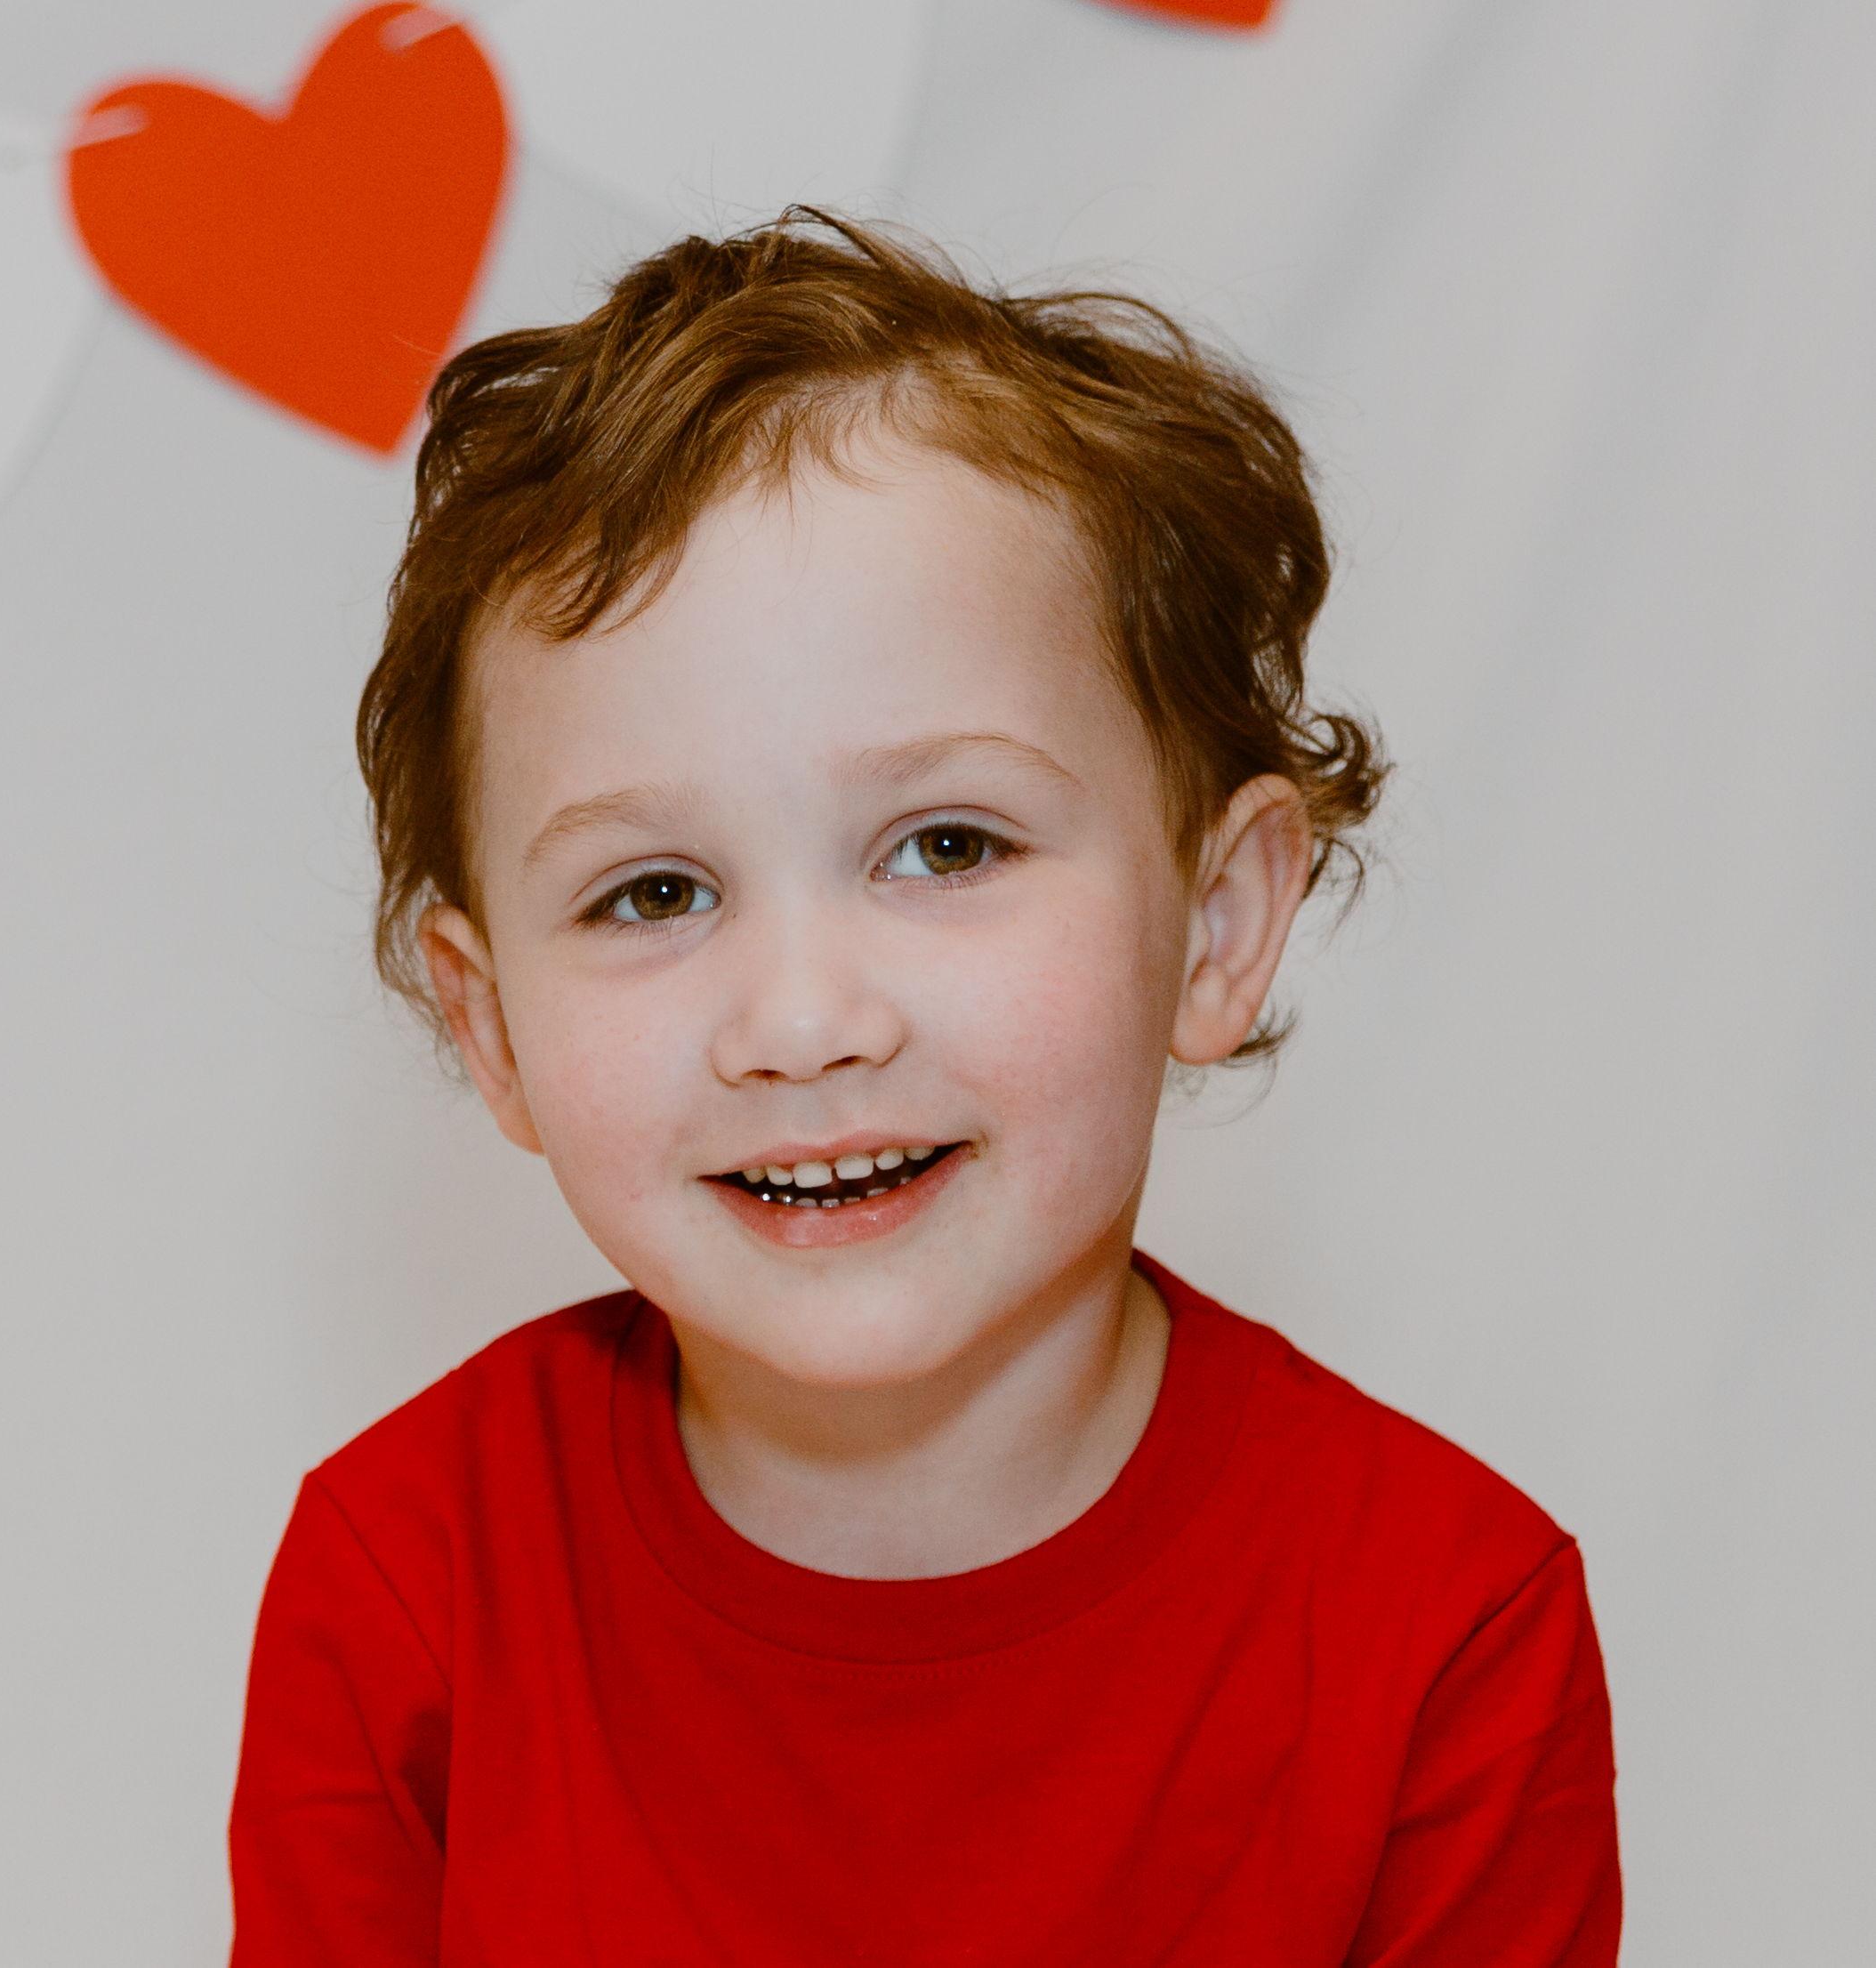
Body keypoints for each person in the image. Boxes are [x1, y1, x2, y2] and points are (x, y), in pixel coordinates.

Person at [227, 206, 1620, 1965]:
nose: (803, 1020)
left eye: (946, 844)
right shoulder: (409, 1579)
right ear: (489, 1024)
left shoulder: (1447, 1624)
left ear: (1212, 923)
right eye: (653, 892)